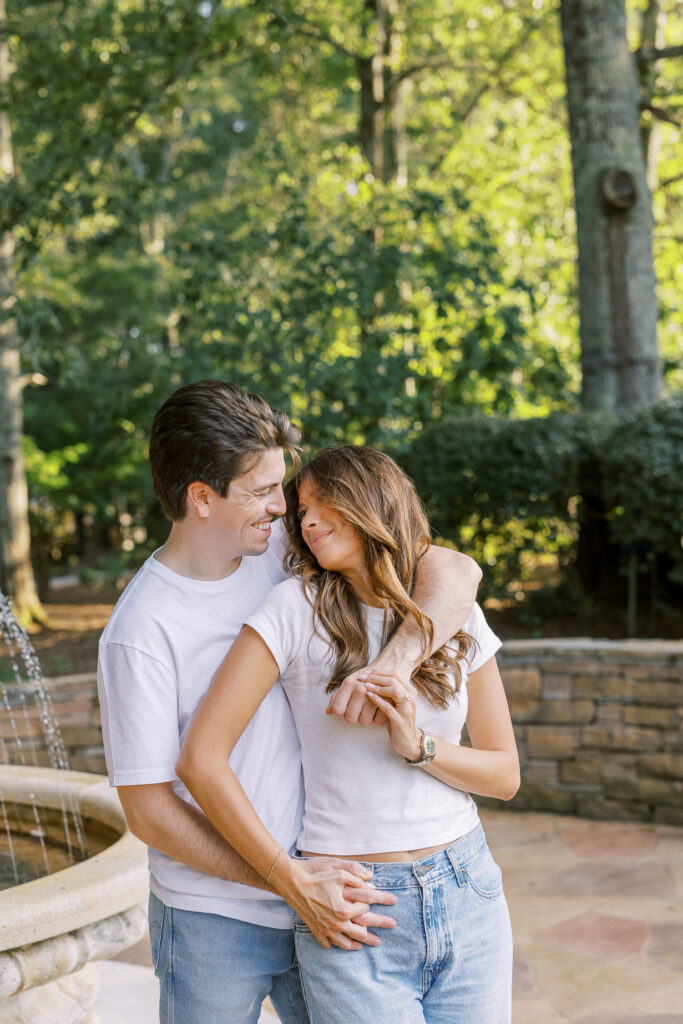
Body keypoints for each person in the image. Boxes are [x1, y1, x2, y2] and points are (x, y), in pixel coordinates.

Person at [97, 382, 482, 1024]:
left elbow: (455, 569)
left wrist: (394, 662)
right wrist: (285, 879)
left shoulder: (280, 552)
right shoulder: (140, 632)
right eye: (261, 491)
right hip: (213, 920)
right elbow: (149, 811)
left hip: (331, 901)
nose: (283, 506)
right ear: (201, 498)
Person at [178, 444, 520, 1024]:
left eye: (322, 503)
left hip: (468, 889)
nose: (305, 521)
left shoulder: (453, 613)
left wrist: (420, 747)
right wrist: (285, 877)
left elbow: (505, 775)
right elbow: (200, 759)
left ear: (372, 499)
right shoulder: (293, 608)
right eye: (299, 509)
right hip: (356, 906)